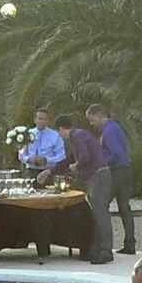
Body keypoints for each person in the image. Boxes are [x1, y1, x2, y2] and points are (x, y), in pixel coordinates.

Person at [56, 112, 115, 263]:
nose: (60, 136)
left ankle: (106, 250)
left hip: (99, 175)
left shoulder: (77, 136)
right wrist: (50, 171)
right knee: (96, 213)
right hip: (94, 176)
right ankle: (95, 249)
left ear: (62, 129)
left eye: (59, 132)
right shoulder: (78, 138)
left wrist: (77, 165)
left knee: (100, 213)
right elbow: (69, 158)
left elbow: (85, 157)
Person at [87, 104, 134, 255]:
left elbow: (117, 153)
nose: (91, 123)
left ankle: (102, 245)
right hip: (126, 170)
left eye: (92, 120)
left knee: (100, 206)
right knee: (124, 207)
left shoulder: (109, 131)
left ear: (100, 116)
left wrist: (102, 162)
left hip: (116, 172)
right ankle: (130, 242)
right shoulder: (115, 127)